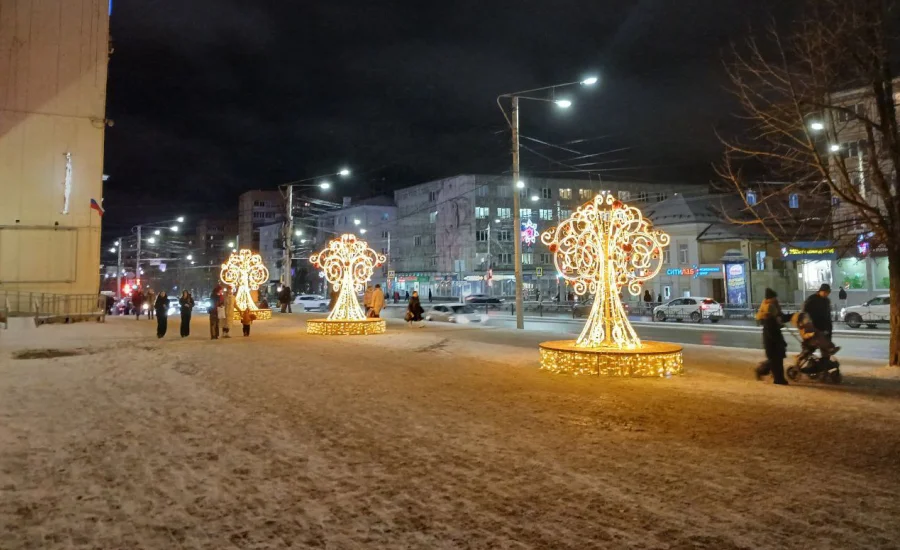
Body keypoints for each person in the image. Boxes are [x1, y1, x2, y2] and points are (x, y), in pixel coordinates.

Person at [754, 288, 789, 385]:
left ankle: (778, 378)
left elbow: (781, 318)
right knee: (775, 361)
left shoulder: (772, 310)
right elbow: (772, 333)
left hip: (775, 341)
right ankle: (778, 379)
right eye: (774, 297)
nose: (776, 299)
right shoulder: (769, 317)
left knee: (776, 360)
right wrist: (779, 342)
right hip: (772, 343)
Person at [803, 283, 837, 362]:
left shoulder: (826, 301)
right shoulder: (812, 299)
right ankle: (808, 363)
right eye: (824, 292)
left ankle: (824, 365)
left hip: (826, 328)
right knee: (811, 348)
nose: (826, 294)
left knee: (826, 349)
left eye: (827, 293)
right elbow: (805, 312)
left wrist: (829, 328)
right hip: (815, 327)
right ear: (820, 291)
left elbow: (827, 315)